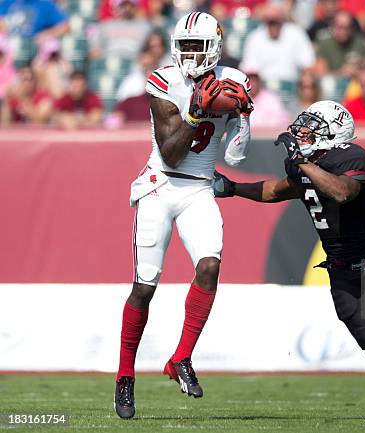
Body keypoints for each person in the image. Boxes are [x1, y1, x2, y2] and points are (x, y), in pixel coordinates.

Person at [213, 100, 365, 421]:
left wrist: (304, 162)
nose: (303, 132)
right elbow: (277, 190)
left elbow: (342, 191)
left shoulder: (351, 156)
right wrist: (234, 188)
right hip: (338, 268)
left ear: (334, 133)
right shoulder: (303, 164)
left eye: (313, 126)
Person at [113, 11, 253, 420]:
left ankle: (181, 358)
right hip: (161, 185)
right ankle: (125, 377)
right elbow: (172, 149)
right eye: (186, 45)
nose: (190, 53)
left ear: (215, 46)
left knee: (209, 268)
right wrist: (197, 111)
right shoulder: (163, 79)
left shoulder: (235, 79)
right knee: (145, 286)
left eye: (198, 46)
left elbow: (235, 155)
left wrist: (243, 116)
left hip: (199, 189)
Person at [240, 4, 315, 82]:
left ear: (282, 20)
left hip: (292, 85)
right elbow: (249, 68)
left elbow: (308, 63)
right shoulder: (255, 37)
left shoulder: (296, 33)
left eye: (276, 22)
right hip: (263, 86)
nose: (273, 26)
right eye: (271, 22)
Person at [313, 10, 365, 77]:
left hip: (355, 83)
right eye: (340, 27)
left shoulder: (359, 42)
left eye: (347, 27)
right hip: (333, 84)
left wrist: (358, 69)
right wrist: (341, 72)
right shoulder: (324, 44)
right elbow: (320, 74)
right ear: (332, 27)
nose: (344, 31)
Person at [0, 0, 69, 45]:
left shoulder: (45, 5)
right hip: (9, 47)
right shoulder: (7, 3)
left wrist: (47, 35)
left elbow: (65, 26)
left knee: (51, 45)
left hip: (35, 49)